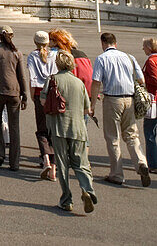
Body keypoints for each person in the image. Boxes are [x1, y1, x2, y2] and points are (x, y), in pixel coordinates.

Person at [90, 31, 151, 187]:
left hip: (112, 99)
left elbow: (96, 82)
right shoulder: (128, 57)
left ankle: (117, 174)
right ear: (115, 43)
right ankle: (141, 162)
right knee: (131, 135)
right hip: (129, 99)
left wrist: (92, 104)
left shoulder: (101, 59)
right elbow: (141, 79)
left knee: (113, 137)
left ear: (103, 43)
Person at [41, 51, 98, 213]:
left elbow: (44, 101)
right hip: (78, 128)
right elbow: (87, 109)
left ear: (57, 64)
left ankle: (66, 199)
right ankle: (87, 189)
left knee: (62, 164)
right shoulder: (79, 83)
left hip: (59, 128)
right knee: (81, 164)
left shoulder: (52, 80)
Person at [0, 25, 28, 171]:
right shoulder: (17, 52)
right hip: (14, 92)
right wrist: (25, 95)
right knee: (14, 126)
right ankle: (14, 162)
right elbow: (21, 75)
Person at [26, 30, 57, 178]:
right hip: (53, 92)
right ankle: (54, 168)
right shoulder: (55, 55)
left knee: (42, 129)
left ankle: (45, 159)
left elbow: (33, 77)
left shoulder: (33, 55)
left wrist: (32, 95)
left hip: (39, 93)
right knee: (54, 130)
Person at [50, 28, 93, 94]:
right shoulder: (81, 55)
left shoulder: (57, 56)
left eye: (49, 39)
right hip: (82, 94)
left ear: (56, 42)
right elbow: (88, 79)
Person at [141, 37, 157, 172]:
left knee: (150, 133)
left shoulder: (151, 61)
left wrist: (143, 78)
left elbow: (154, 79)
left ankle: (153, 163)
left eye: (144, 46)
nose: (143, 49)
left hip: (154, 99)